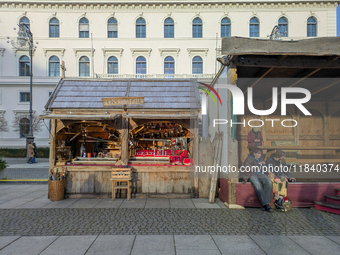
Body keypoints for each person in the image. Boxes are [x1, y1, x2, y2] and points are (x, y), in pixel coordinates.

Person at [242, 147, 273, 212]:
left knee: (269, 182)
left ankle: (266, 203)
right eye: (258, 154)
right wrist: (256, 165)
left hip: (260, 174)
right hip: (252, 174)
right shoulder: (248, 159)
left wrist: (266, 168)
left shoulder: (261, 159)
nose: (259, 155)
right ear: (254, 153)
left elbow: (263, 169)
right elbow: (247, 169)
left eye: (260, 154)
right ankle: (265, 204)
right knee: (258, 185)